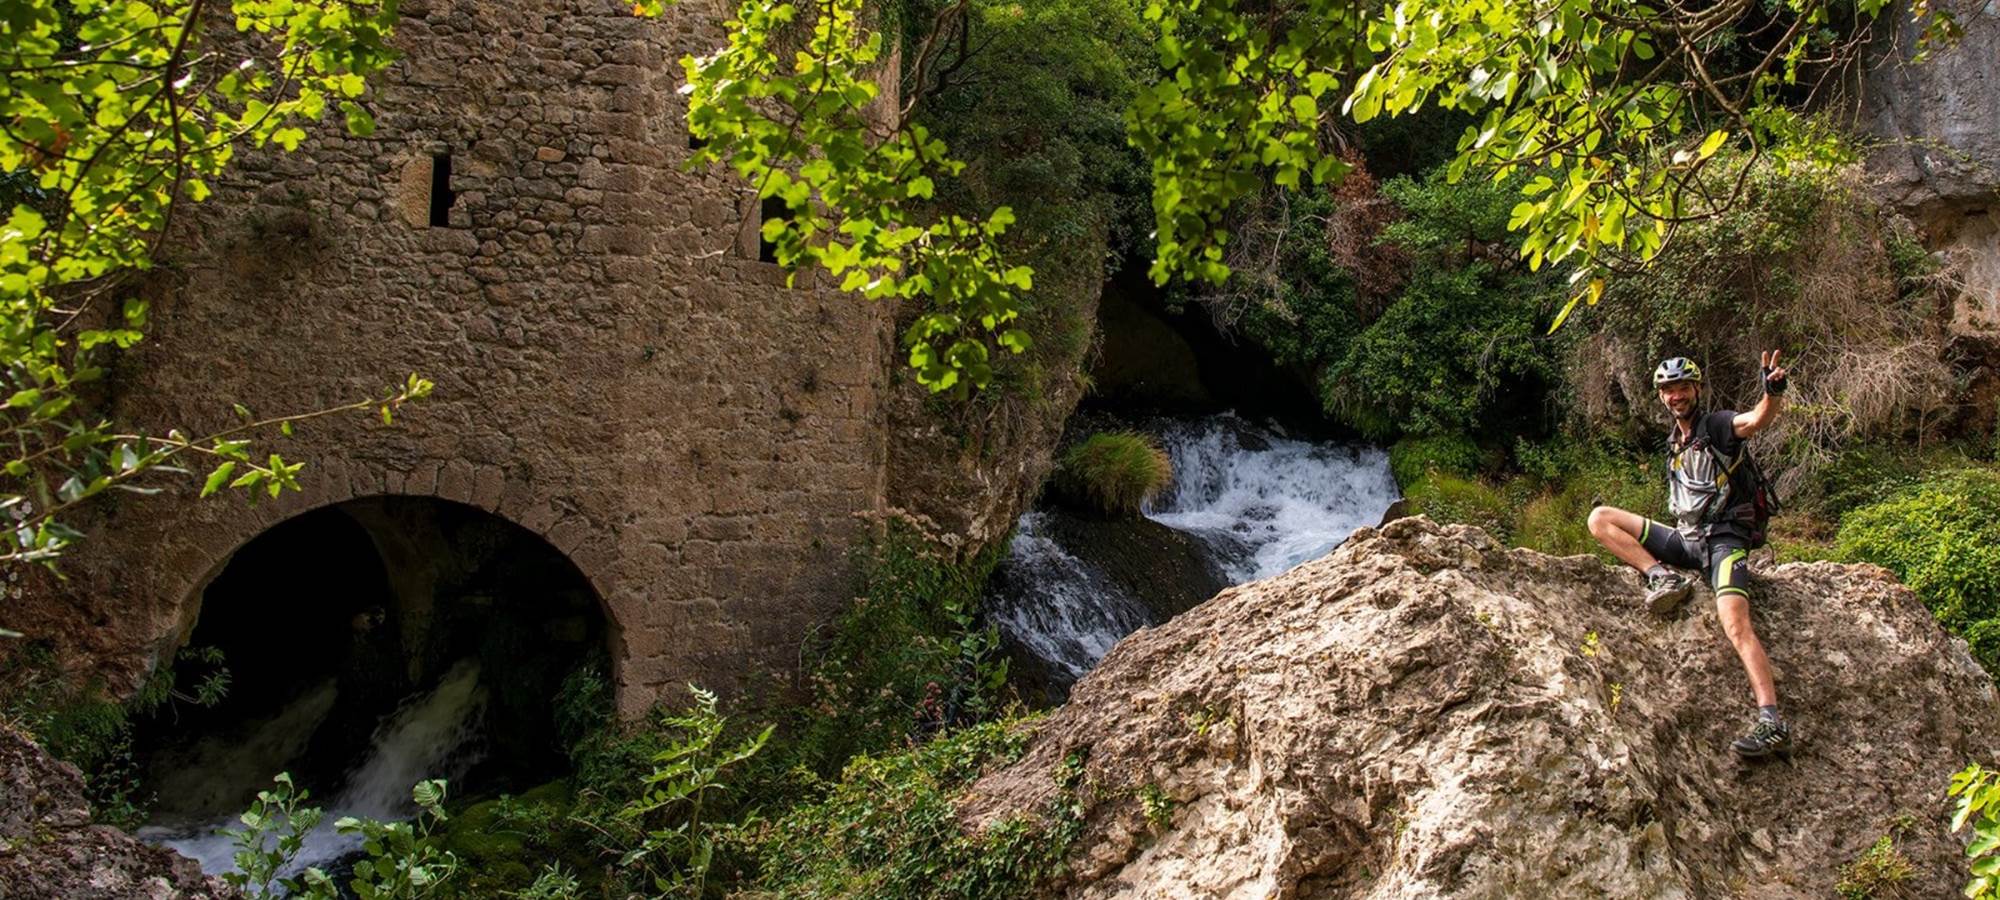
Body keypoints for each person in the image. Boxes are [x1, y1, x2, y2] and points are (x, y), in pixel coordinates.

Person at [1585, 351, 1792, 758]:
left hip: (1725, 540)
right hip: (1686, 540)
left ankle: (1772, 722)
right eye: (1668, 389)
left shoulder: (1716, 426)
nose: (1676, 395)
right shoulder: (1674, 440)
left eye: (1682, 387)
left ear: (1696, 389)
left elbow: (1754, 421)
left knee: (1735, 624)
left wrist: (1773, 393)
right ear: (1661, 396)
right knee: (1600, 519)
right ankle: (1660, 575)